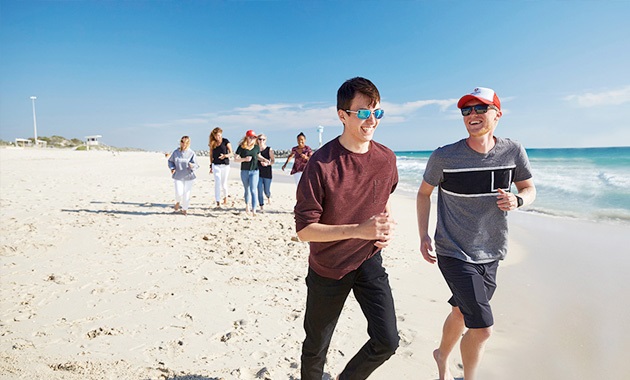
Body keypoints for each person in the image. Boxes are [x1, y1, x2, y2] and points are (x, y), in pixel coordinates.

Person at [416, 87, 536, 380]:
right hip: (453, 250)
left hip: (492, 251)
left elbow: (529, 189)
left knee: (460, 311)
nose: (472, 115)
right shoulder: (444, 157)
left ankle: (441, 354)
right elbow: (423, 194)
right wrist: (423, 236)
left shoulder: (512, 151)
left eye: (480, 109)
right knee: (482, 328)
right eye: (466, 110)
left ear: (497, 114)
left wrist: (518, 201)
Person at [295, 77, 399, 379]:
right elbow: (305, 230)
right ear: (343, 115)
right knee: (316, 347)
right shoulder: (321, 164)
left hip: (368, 261)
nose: (372, 121)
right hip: (328, 268)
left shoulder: (387, 158)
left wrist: (384, 228)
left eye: (376, 113)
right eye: (364, 113)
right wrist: (359, 229)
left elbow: (385, 197)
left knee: (387, 341)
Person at [234, 130, 265, 216]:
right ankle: (247, 205)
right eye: (250, 137)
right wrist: (244, 159)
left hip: (255, 171)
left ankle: (254, 210)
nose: (252, 139)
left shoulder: (256, 147)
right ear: (247, 137)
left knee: (253, 190)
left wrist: (264, 160)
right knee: (247, 189)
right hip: (244, 171)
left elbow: (258, 156)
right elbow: (235, 159)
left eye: (253, 137)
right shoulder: (241, 147)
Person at [167, 136, 199, 216]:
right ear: (180, 142)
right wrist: (172, 168)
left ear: (188, 143)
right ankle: (178, 201)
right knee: (179, 192)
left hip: (189, 176)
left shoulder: (191, 153)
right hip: (178, 176)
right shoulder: (176, 152)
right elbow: (170, 161)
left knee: (186, 194)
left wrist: (192, 166)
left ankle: (185, 209)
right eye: (182, 142)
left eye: (186, 142)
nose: (184, 144)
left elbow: (196, 165)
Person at [208, 127, 233, 208]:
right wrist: (211, 165)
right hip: (216, 165)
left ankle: (225, 197)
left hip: (225, 165)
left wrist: (225, 156)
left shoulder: (226, 141)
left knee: (224, 183)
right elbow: (211, 154)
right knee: (217, 182)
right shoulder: (212, 143)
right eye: (216, 136)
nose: (217, 137)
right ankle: (218, 201)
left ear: (221, 134)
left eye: (219, 135)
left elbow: (232, 153)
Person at [256, 133, 274, 211]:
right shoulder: (255, 149)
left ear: (265, 140)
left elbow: (273, 161)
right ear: (257, 140)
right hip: (257, 172)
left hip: (267, 172)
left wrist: (267, 163)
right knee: (259, 189)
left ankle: (268, 196)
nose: (261, 141)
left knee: (266, 190)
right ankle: (261, 206)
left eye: (263, 139)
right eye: (260, 139)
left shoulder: (269, 149)